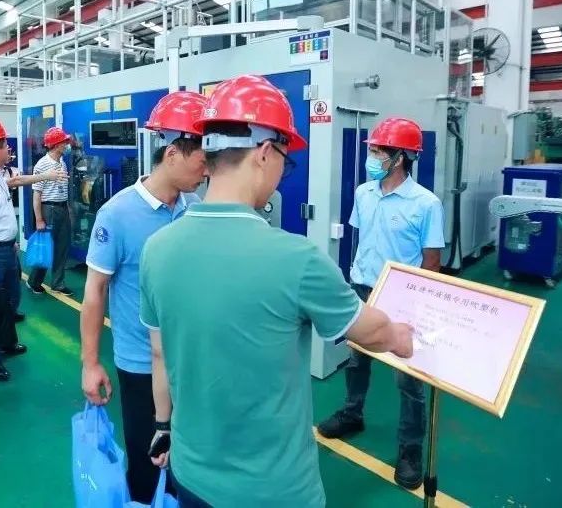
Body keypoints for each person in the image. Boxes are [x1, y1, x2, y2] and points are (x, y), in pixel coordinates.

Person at [137, 75, 416, 507]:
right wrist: (403, 335)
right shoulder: (297, 259)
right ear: (265, 152)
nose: (282, 175)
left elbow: (159, 354)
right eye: (285, 161)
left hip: (190, 474)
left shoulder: (156, 249)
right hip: (272, 491)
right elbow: (373, 333)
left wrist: (163, 426)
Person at [80, 91, 208, 504]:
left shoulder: (196, 208)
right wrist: (90, 363)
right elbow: (95, 291)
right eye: (201, 161)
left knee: (188, 462)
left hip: (189, 361)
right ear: (172, 154)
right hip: (139, 364)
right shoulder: (117, 214)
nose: (207, 171)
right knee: (146, 462)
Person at [316, 117, 444, 489]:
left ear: (400, 157)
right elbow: (364, 240)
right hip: (362, 289)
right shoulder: (364, 193)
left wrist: (416, 303)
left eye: (378, 151)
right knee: (357, 361)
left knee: (408, 378)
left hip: (403, 299)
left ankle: (410, 448)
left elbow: (432, 261)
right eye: (372, 150)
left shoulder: (426, 204)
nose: (371, 157)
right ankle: (352, 413)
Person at [0, 116, 66, 382]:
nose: (9, 149)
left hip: (5, 249)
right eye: (6, 145)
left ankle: (5, 342)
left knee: (9, 300)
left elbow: (16, 183)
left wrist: (11, 241)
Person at [27, 127, 73, 296]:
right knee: (46, 247)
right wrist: (39, 219)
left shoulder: (62, 163)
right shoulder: (42, 164)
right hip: (49, 209)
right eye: (64, 142)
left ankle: (58, 283)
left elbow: (62, 188)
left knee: (62, 247)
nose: (67, 145)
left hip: (62, 208)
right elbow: (37, 194)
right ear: (56, 144)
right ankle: (34, 281)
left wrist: (67, 208)